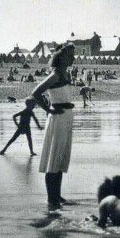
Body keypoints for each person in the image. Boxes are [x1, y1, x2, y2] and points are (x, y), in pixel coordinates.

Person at [32, 44, 76, 209]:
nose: (73, 58)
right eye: (71, 55)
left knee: (60, 158)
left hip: (65, 117)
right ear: (62, 57)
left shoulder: (65, 74)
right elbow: (36, 92)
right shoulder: (55, 75)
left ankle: (57, 195)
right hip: (58, 118)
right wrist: (48, 108)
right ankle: (52, 199)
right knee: (53, 158)